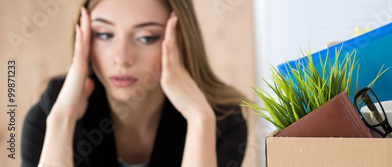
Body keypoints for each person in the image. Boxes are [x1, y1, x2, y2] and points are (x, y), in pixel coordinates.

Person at [21, 0, 248, 166]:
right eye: (104, 34)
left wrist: (199, 120)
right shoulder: (52, 113)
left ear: (180, 40)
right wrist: (63, 120)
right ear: (85, 37)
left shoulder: (221, 120)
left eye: (146, 37)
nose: (122, 58)